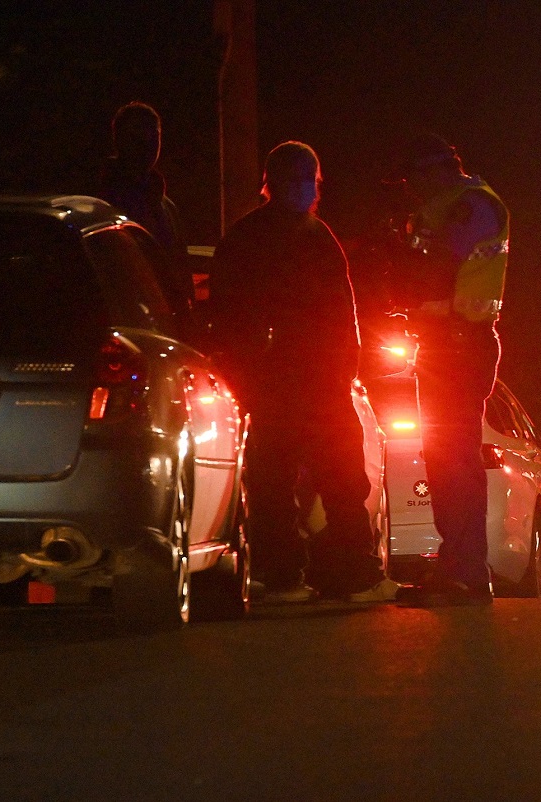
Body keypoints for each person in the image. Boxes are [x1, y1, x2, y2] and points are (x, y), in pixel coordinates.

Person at [204, 142, 396, 603]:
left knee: (293, 482)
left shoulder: (253, 237)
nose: (305, 189)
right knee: (328, 482)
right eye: (301, 179)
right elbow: (336, 314)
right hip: (302, 381)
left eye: (307, 180)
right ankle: (341, 574)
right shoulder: (309, 237)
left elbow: (228, 319)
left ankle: (289, 575)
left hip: (295, 382)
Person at [390, 134, 510, 606]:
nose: (410, 189)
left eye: (413, 179)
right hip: (444, 341)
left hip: (462, 340)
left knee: (455, 459)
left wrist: (403, 254)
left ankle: (467, 571)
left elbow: (438, 260)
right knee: (443, 458)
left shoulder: (473, 206)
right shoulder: (446, 209)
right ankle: (457, 564)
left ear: (435, 171)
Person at [95, 102, 191, 315]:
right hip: (125, 316)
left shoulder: (166, 206)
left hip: (164, 320)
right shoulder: (102, 202)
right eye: (137, 137)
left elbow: (180, 268)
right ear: (118, 139)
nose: (146, 145)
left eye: (153, 136)